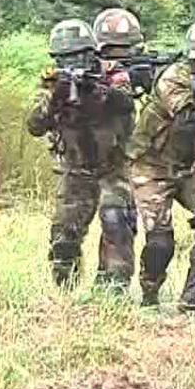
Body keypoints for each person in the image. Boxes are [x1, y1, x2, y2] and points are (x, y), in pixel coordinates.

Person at [126, 20, 195, 313]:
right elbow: (188, 123)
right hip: (151, 167)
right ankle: (149, 296)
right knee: (161, 243)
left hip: (187, 166)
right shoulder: (174, 77)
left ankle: (193, 294)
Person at [27, 19, 137, 292]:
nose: (72, 63)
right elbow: (34, 126)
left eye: (78, 56)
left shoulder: (112, 74)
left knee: (116, 219)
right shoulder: (52, 84)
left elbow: (126, 103)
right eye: (64, 58)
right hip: (75, 169)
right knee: (64, 237)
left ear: (92, 52)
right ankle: (66, 293)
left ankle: (113, 289)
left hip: (113, 166)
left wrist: (99, 91)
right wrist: (55, 98)